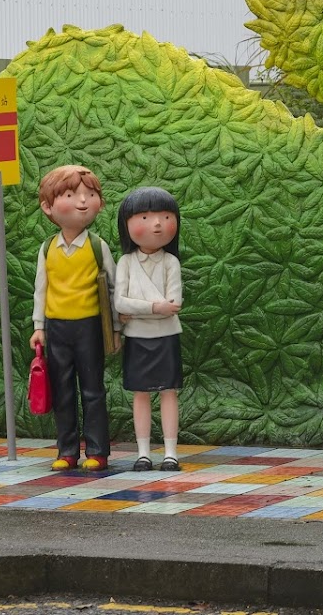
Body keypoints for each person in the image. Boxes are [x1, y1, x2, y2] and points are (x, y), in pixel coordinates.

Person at [28, 165, 116, 471]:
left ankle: (97, 451)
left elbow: (112, 288)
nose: (82, 201)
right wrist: (39, 327)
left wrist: (115, 327)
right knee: (62, 390)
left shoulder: (97, 247)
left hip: (89, 326)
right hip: (57, 329)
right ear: (48, 206)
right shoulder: (47, 248)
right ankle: (66, 450)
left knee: (93, 390)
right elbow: (41, 289)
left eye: (90, 194)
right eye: (71, 194)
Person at [113, 186, 183, 472]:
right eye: (145, 217)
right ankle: (143, 453)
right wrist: (155, 308)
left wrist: (137, 309)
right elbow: (119, 302)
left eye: (165, 216)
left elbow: (175, 302)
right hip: (138, 339)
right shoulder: (126, 262)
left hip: (166, 337)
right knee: (140, 393)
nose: (156, 224)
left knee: (169, 391)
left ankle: (170, 452)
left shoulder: (171, 262)